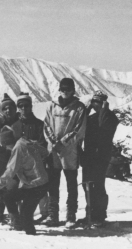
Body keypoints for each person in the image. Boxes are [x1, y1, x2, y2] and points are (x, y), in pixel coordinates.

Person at [43, 77, 87, 227]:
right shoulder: (52, 107)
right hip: (54, 150)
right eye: (63, 89)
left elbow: (79, 129)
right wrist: (53, 141)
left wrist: (63, 142)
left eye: (68, 89)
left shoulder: (79, 108)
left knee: (71, 184)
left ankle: (71, 215)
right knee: (53, 184)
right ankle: (52, 214)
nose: (65, 92)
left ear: (73, 91)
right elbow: (46, 125)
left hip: (69, 151)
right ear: (59, 90)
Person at [0, 127, 49, 235]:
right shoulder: (26, 142)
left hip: (36, 185)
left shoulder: (18, 148)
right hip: (33, 184)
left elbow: (10, 170)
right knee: (9, 197)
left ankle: (31, 239)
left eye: (6, 145)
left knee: (26, 216)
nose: (7, 149)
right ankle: (17, 223)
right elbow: (45, 152)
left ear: (8, 142)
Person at [78, 90, 120, 227]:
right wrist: (87, 109)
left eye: (99, 102)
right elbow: (80, 122)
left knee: (98, 187)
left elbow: (103, 128)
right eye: (94, 102)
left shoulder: (110, 118)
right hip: (89, 156)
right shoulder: (90, 118)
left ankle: (99, 215)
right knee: (87, 185)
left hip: (101, 157)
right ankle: (90, 214)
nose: (96, 105)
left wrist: (104, 110)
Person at [12, 92, 49, 222]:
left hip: (36, 163)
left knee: (39, 188)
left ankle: (44, 214)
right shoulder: (15, 126)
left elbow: (43, 144)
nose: (23, 108)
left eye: (26, 105)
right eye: (21, 106)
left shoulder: (39, 124)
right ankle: (24, 216)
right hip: (20, 165)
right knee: (21, 188)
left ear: (31, 106)